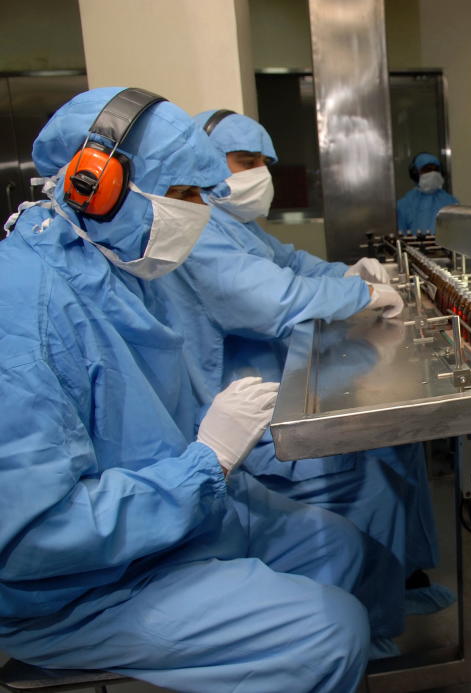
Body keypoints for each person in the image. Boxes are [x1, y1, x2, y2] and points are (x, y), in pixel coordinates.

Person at [0, 87, 370, 692]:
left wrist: (216, 445)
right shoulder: (20, 311)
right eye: (183, 196)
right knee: (330, 631)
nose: (198, 214)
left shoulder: (118, 269)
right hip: (86, 588)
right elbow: (32, 539)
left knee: (336, 545)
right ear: (97, 185)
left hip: (175, 526)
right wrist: (207, 461)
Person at [176, 110, 450, 618]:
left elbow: (293, 264)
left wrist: (348, 271)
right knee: (370, 479)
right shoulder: (197, 231)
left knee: (397, 444)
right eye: (246, 161)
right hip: (244, 412)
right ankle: (368, 613)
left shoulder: (238, 227)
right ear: (206, 162)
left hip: (279, 380)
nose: (259, 174)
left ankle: (405, 576)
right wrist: (359, 294)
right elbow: (272, 297)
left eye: (264, 163)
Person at [396, 152, 458, 235]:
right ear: (416, 174)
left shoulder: (451, 202)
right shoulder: (404, 205)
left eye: (435, 170)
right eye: (427, 170)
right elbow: (401, 237)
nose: (432, 173)